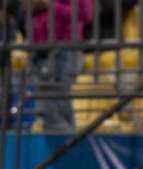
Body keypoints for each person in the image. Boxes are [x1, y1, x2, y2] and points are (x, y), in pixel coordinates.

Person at [27, 0, 93, 133]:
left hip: (65, 48)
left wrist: (49, 5)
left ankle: (68, 145)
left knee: (50, 108)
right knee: (59, 105)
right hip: (38, 49)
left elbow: (86, 14)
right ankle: (70, 144)